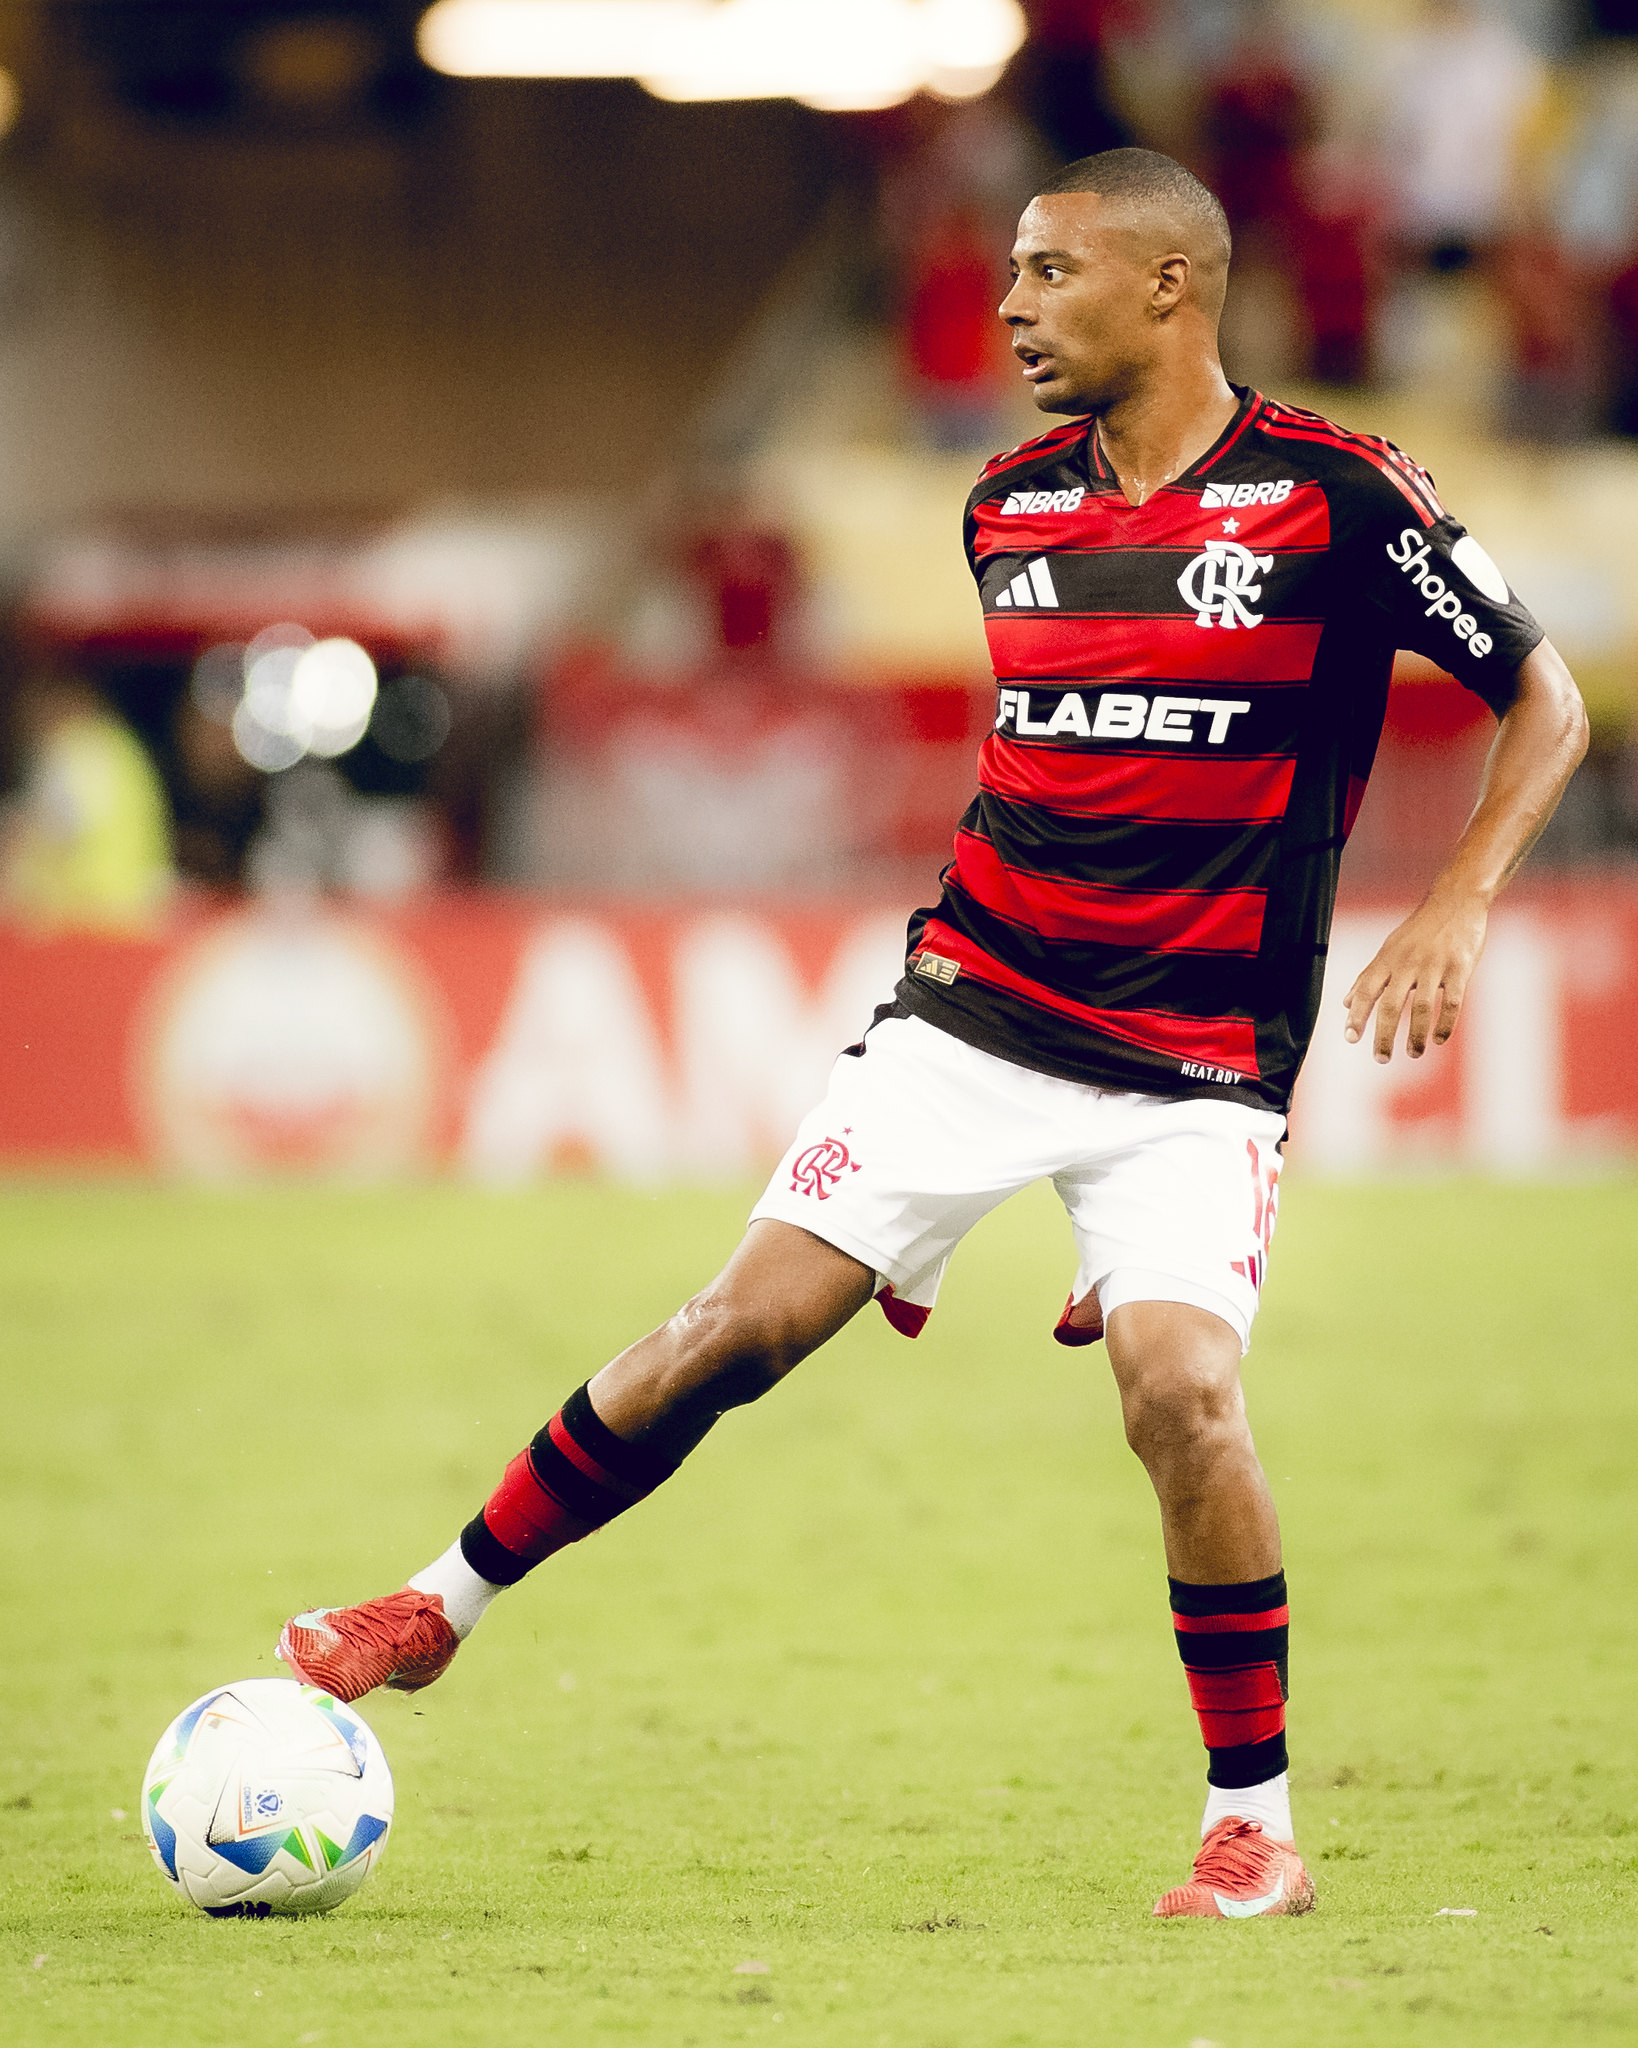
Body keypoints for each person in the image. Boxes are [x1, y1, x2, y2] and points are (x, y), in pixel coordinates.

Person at [278, 149, 1587, 1920]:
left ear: (1168, 287)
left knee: (1183, 1395)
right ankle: (434, 1605)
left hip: (1195, 1067)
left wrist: (1456, 900)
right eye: (1012, 273)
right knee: (727, 1333)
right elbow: (1059, 769)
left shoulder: (1336, 495)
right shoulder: (1004, 510)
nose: (1008, 307)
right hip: (968, 1020)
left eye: (1050, 271)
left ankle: (1254, 1828)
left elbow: (1543, 698)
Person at [2, 670, 173, 932]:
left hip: (85, 912)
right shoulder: (120, 744)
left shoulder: (72, 752)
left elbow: (52, 829)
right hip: (136, 906)